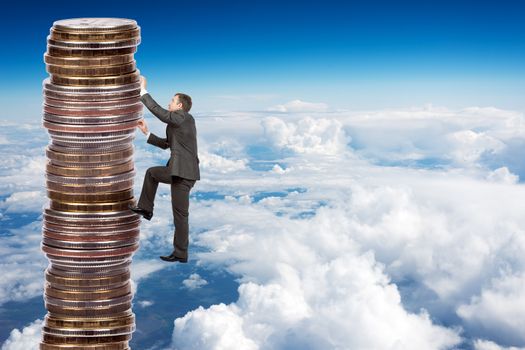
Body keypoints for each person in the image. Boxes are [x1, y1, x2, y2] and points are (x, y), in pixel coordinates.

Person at [129, 75, 200, 263]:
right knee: (153, 174)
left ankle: (179, 251)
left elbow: (161, 113)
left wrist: (143, 91)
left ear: (180, 106)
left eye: (172, 101)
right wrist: (147, 133)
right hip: (178, 172)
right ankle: (146, 209)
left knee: (181, 215)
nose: (169, 103)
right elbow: (166, 144)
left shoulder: (184, 118)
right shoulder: (176, 123)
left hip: (184, 173)